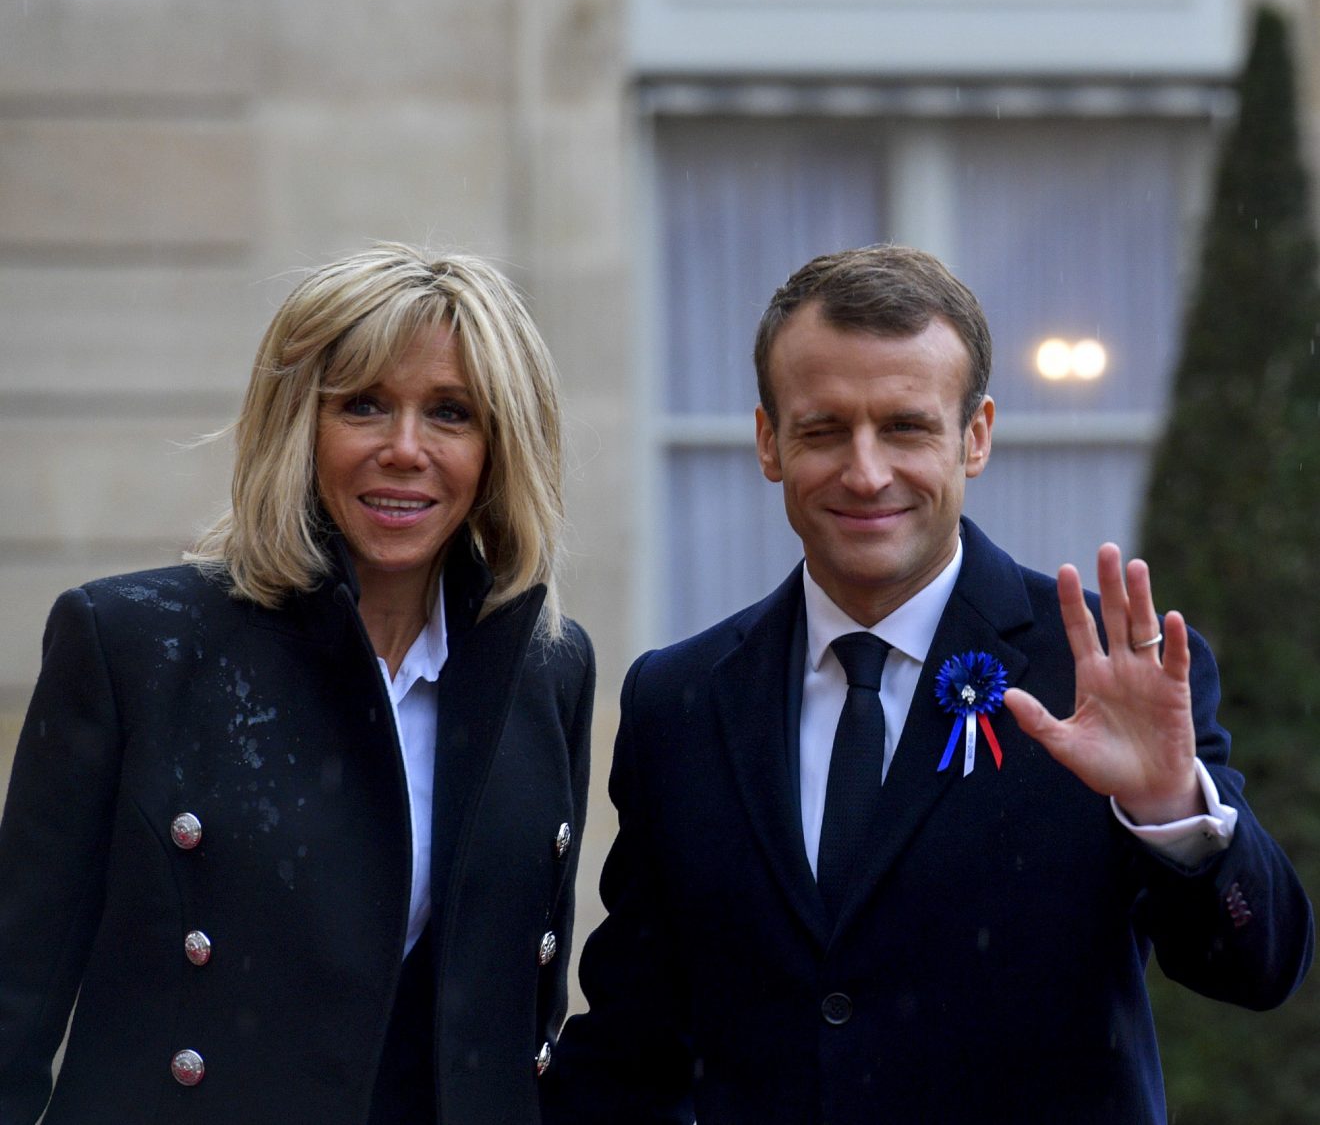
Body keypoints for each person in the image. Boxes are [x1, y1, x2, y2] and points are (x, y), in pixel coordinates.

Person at [542, 244, 1313, 1124]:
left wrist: (1172, 810)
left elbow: (1258, 969)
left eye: (906, 428)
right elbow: (630, 1049)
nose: (866, 472)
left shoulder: (1102, 673)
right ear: (768, 441)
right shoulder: (678, 702)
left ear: (974, 437)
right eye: (824, 430)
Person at [0, 243, 595, 1125]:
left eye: (450, 412)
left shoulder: (550, 665)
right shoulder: (130, 643)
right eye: (363, 405)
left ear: (500, 448)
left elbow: (523, 1022)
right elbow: (14, 1000)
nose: (405, 449)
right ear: (298, 426)